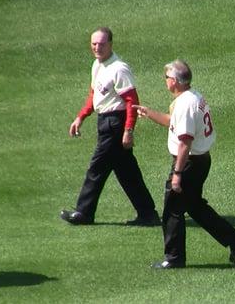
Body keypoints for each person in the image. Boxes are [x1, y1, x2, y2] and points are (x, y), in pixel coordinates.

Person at [133, 59, 235, 268]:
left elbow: (185, 142)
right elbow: (173, 122)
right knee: (194, 206)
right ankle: (233, 237)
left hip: (188, 162)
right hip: (201, 160)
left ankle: (174, 258)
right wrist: (149, 113)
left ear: (175, 81)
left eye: (166, 77)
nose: (165, 81)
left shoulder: (185, 104)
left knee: (172, 209)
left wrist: (177, 173)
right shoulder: (193, 96)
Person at [60, 27, 160, 226]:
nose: (97, 47)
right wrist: (81, 117)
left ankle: (84, 212)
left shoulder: (119, 68)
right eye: (94, 44)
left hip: (116, 123)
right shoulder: (97, 65)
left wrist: (128, 130)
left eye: (102, 44)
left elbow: (132, 101)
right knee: (127, 171)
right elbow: (94, 95)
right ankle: (148, 214)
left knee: (96, 168)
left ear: (111, 44)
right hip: (105, 121)